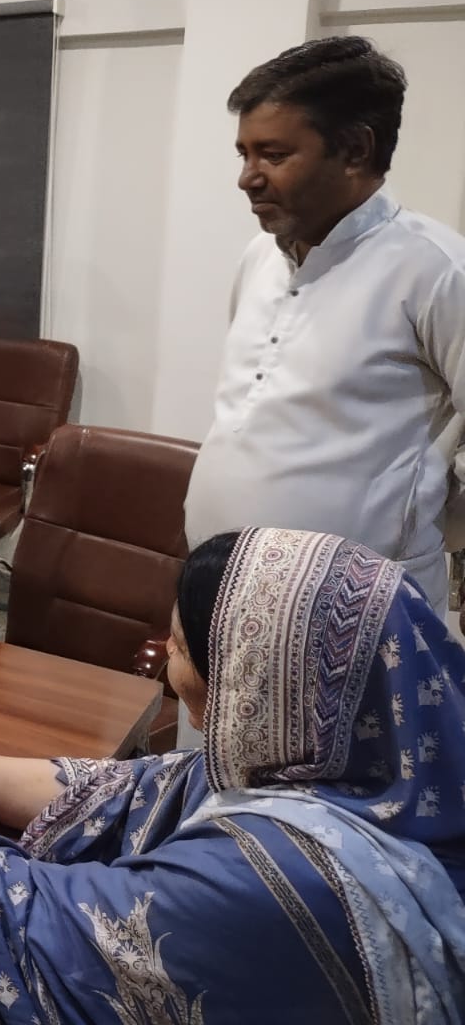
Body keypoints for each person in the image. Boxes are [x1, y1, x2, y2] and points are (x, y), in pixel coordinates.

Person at [0, 526, 465, 1023]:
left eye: (177, 648)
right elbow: (118, 791)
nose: (167, 668)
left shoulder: (275, 877)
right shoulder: (369, 763)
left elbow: (21, 915)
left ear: (250, 684)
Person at [186, 36, 465, 616]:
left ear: (356, 150)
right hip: (224, 590)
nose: (247, 178)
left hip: (358, 612)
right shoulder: (259, 258)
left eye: (273, 154)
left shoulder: (435, 270)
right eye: (243, 154)